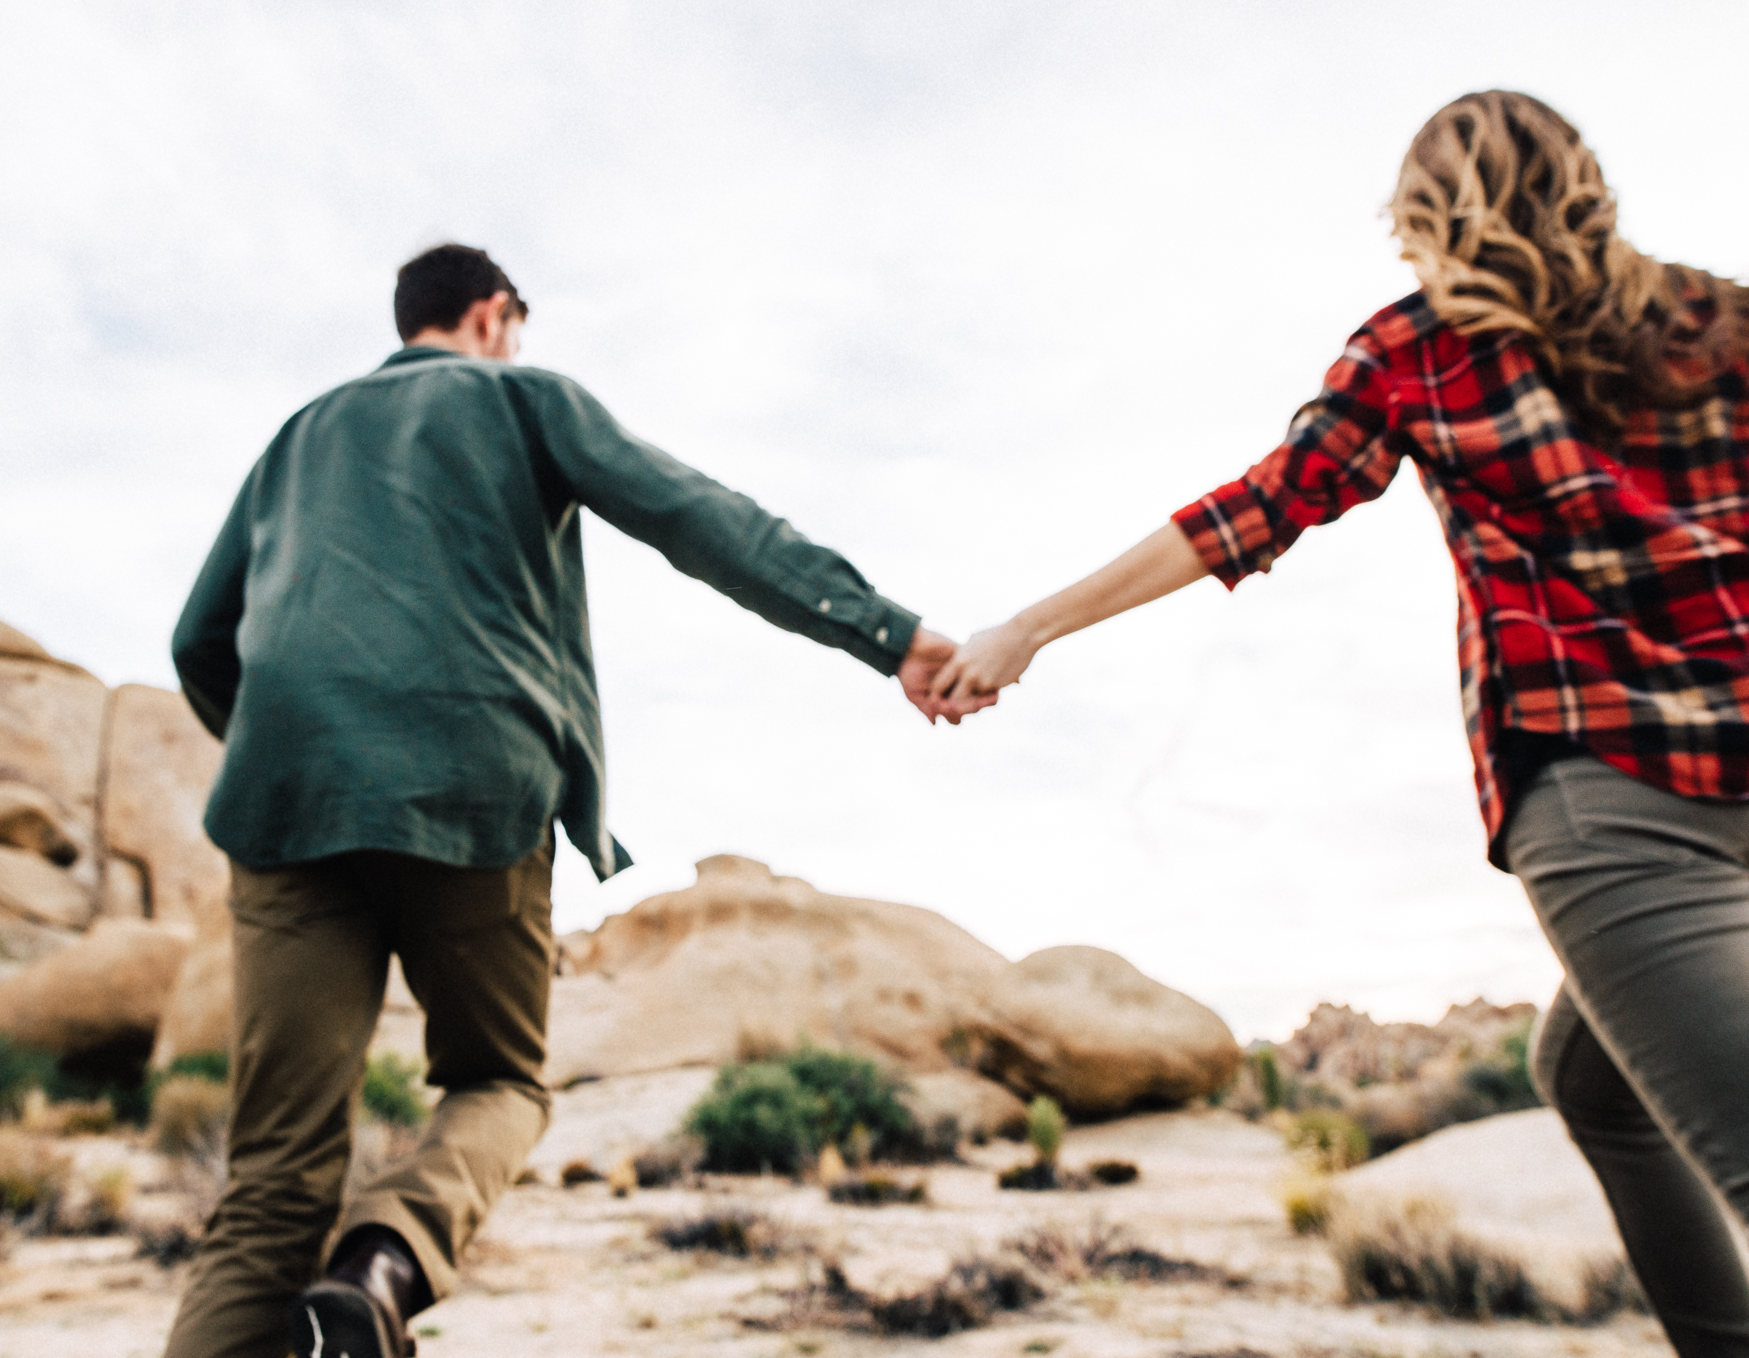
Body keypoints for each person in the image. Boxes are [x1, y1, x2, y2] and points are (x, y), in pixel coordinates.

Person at [934, 91, 1749, 1356]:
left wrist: (1023, 628)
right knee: (1586, 1082)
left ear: (1426, 222)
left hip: (1610, 801)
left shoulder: (1419, 346)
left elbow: (1251, 511)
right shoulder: (1713, 314)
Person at [162, 243, 983, 1358]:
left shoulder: (299, 436)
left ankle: (326, 1299)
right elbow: (698, 518)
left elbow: (197, 640)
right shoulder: (521, 396)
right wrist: (884, 631)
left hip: (284, 801)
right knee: (499, 1078)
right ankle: (382, 1265)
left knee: (271, 1180)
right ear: (493, 315)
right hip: (473, 782)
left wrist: (295, 752)